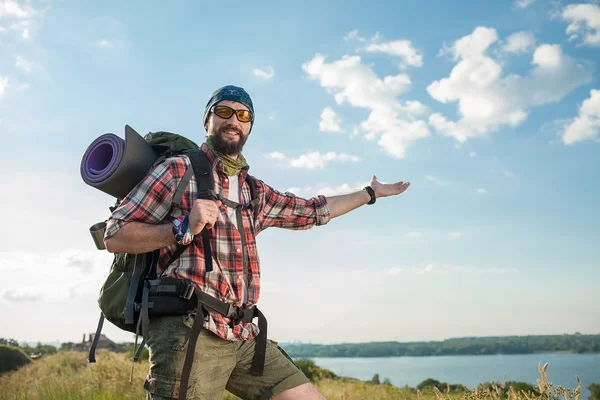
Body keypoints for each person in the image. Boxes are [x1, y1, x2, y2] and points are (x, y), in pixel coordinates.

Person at [103, 85, 410, 400]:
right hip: (190, 331)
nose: (233, 120)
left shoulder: (254, 191)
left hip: (243, 333)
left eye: (243, 115)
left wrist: (369, 193)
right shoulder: (177, 170)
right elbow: (114, 235)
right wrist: (182, 226)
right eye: (223, 111)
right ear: (207, 120)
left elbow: (314, 210)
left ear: (249, 126)